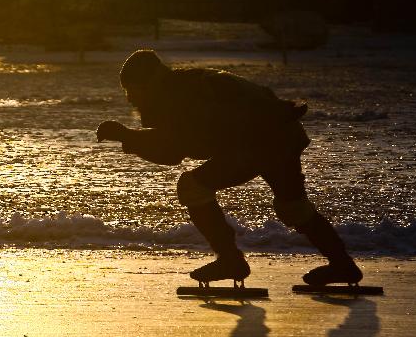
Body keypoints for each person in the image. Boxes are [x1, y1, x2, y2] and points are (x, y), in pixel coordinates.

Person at [96, 49, 362, 286]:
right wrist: (131, 137)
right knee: (292, 207)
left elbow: (176, 149)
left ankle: (230, 260)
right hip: (281, 133)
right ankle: (342, 265)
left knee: (191, 187)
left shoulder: (179, 95)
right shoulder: (182, 85)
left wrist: (128, 137)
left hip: (261, 139)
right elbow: (181, 145)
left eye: (132, 89)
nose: (130, 99)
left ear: (148, 84)